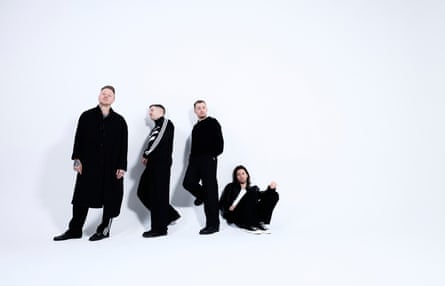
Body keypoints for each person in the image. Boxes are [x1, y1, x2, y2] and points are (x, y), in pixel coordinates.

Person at [53, 85, 128, 241]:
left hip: (111, 166)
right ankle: (75, 230)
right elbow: (78, 139)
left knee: (110, 198)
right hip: (89, 164)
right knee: (81, 197)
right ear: (99, 96)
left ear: (114, 99)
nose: (106, 96)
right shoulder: (86, 116)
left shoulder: (120, 121)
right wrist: (77, 159)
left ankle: (104, 230)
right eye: (103, 94)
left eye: (109, 95)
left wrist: (122, 166)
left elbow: (123, 145)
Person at [136, 104, 181, 237]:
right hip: (153, 164)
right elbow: (153, 141)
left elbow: (158, 140)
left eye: (152, 110)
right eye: (149, 110)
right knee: (142, 191)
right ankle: (169, 215)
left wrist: (146, 154)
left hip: (161, 164)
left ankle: (160, 229)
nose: (150, 112)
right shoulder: (156, 126)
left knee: (158, 195)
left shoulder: (166, 123)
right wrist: (148, 155)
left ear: (161, 111)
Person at [183, 100, 224, 235]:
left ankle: (213, 225)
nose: (201, 110)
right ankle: (202, 195)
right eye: (198, 108)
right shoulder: (196, 127)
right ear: (195, 111)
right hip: (195, 160)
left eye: (203, 108)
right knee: (188, 183)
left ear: (206, 109)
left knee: (210, 190)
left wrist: (213, 155)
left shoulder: (212, 122)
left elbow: (220, 143)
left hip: (208, 159)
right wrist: (191, 160)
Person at [219, 165, 279, 234]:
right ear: (236, 177)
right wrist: (228, 208)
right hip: (236, 213)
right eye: (238, 174)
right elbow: (222, 203)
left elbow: (263, 195)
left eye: (243, 173)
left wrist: (271, 189)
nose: (241, 176)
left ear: (247, 175)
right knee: (253, 191)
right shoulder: (230, 187)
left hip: (250, 213)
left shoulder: (251, 189)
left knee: (274, 195)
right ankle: (247, 223)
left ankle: (259, 222)